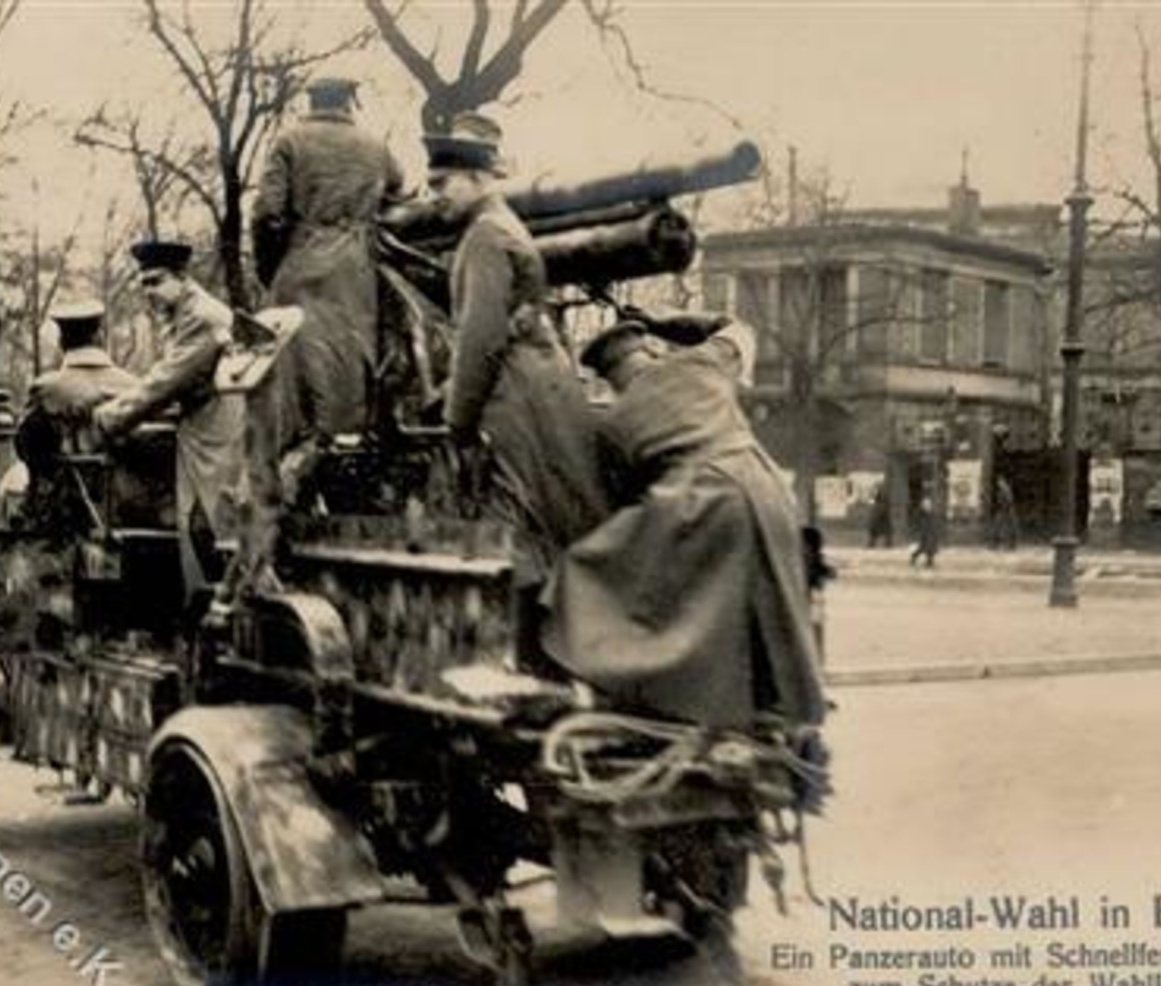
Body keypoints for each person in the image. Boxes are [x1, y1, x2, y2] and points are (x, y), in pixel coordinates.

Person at [541, 313, 827, 731]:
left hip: (702, 498)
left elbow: (614, 494)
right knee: (771, 590)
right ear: (648, 352)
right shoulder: (700, 363)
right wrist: (664, 324)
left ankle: (651, 688)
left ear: (611, 378)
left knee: (584, 571)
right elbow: (739, 329)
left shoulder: (614, 422)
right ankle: (782, 704)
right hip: (766, 487)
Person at [426, 111, 610, 670]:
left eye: (442, 183)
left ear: (479, 179)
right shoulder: (503, 229)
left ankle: (531, 661)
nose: (433, 195)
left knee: (520, 524)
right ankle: (564, 654)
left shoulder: (483, 237)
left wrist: (455, 423)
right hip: (542, 386)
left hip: (518, 397)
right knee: (557, 519)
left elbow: (478, 340)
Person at [251, 75, 406, 453]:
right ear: (349, 103)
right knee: (351, 359)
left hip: (301, 264)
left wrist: (271, 269)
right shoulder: (376, 147)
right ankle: (348, 450)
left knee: (294, 366)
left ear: (312, 102)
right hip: (358, 270)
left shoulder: (289, 142)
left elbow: (268, 214)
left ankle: (297, 458)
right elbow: (398, 200)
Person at [93, 240, 249, 603]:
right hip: (203, 430)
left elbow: (166, 381)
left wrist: (108, 418)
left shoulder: (202, 317)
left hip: (216, 434)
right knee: (202, 527)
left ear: (181, 278)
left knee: (215, 528)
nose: (148, 292)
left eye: (156, 281)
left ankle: (226, 614)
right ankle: (213, 613)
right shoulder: (186, 313)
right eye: (144, 283)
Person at [12, 298, 139, 536]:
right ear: (99, 337)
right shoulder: (134, 386)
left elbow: (24, 448)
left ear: (62, 342)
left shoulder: (46, 389)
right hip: (132, 503)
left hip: (69, 509)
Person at [910, 491, 941, 568]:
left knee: (931, 549)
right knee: (922, 548)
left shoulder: (933, 513)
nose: (927, 506)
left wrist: (936, 531)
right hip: (925, 534)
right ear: (922, 505)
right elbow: (917, 524)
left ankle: (929, 562)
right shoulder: (920, 514)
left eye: (928, 505)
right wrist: (918, 532)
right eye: (925, 505)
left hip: (932, 533)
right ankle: (914, 557)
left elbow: (936, 523)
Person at [867, 480, 893, 548]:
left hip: (881, 511)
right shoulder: (883, 493)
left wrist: (879, 511)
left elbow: (881, 500)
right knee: (885, 529)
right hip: (882, 511)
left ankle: (873, 543)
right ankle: (886, 543)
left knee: (876, 528)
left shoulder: (882, 493)